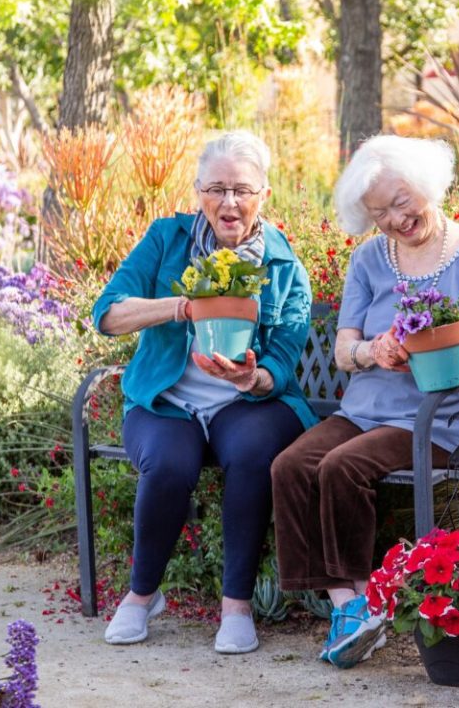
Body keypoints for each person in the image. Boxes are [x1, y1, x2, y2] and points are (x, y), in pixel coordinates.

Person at [270, 135, 459, 669]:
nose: (396, 218)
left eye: (401, 201)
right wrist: (374, 348)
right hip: (365, 410)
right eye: (379, 213)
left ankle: (362, 608)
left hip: (440, 421)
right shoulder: (369, 259)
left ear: (425, 185)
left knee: (343, 467)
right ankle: (351, 604)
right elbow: (345, 351)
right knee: (290, 465)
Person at [90, 130, 318, 653]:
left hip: (248, 403)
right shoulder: (167, 240)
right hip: (168, 401)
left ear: (264, 194)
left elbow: (283, 359)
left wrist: (253, 378)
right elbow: (108, 312)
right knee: (169, 464)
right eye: (216, 188)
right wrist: (181, 306)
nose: (228, 202)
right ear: (198, 192)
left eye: (241, 189)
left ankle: (236, 605)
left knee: (253, 450)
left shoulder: (283, 267)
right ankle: (141, 595)